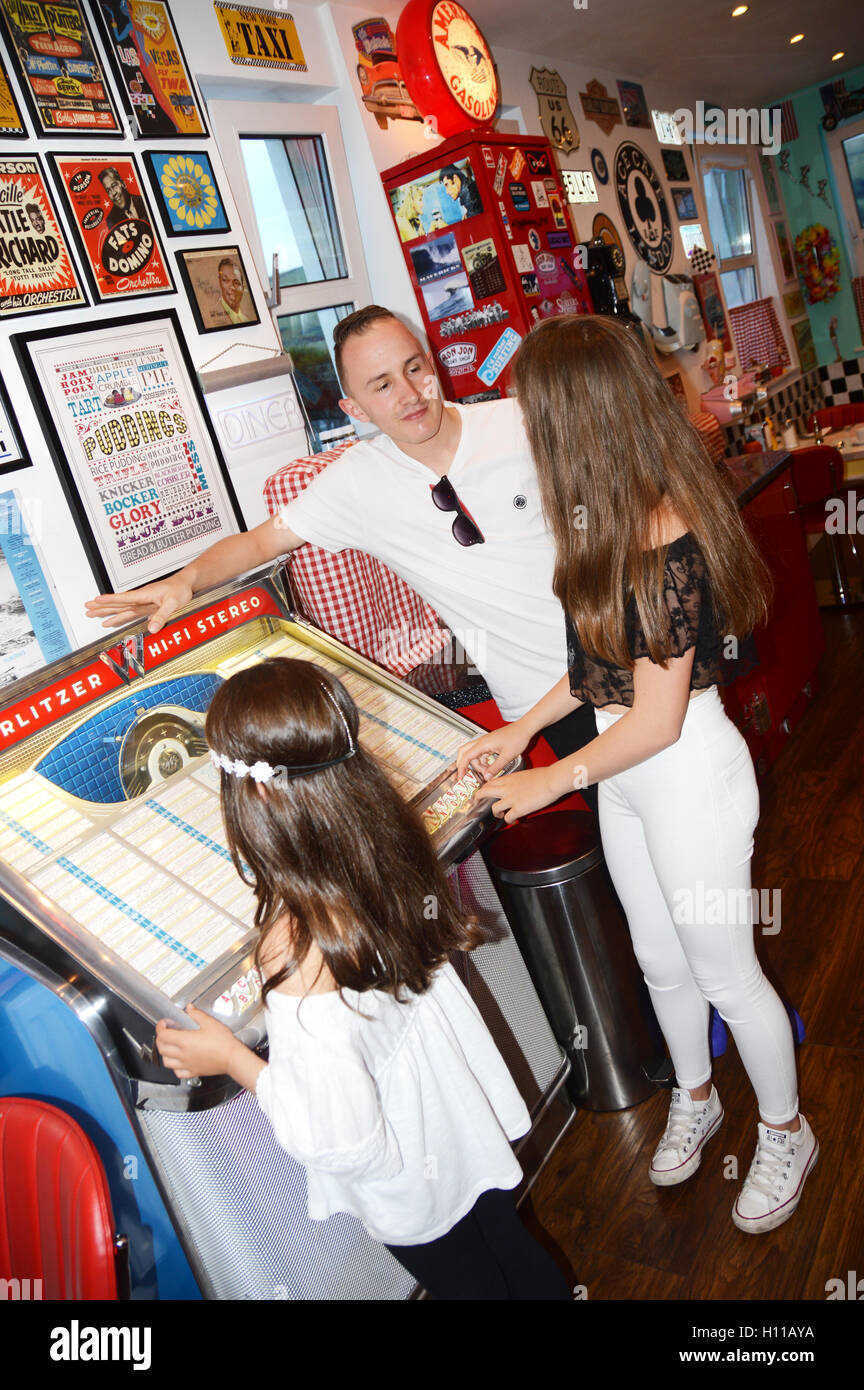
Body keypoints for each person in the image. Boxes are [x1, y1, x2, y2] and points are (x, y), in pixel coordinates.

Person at [458, 315, 818, 1235]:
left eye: (536, 417)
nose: (527, 435)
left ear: (579, 417)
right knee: (661, 962)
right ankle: (696, 1095)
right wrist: (518, 731)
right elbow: (594, 666)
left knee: (726, 975)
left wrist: (551, 779)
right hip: (628, 773)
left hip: (685, 769)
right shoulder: (609, 519)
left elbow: (658, 716)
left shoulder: (664, 531)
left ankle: (786, 1129)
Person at [155, 657, 572, 1300]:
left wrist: (233, 1058)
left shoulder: (293, 944)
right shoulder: (388, 841)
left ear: (258, 794)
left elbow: (342, 1136)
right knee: (509, 1242)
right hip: (456, 1116)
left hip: (410, 1169)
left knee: (468, 1282)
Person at [84, 304, 600, 808]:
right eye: (381, 385)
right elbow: (260, 542)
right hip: (542, 705)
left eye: (413, 368)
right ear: (355, 409)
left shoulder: (521, 422)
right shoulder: (356, 482)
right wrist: (186, 580)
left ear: (431, 363)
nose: (408, 393)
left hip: (619, 655)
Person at [217, 255, 252, 324]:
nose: (232, 287)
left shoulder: (247, 320)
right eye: (226, 280)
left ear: (243, 288)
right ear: (220, 282)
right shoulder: (212, 318)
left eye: (236, 283)